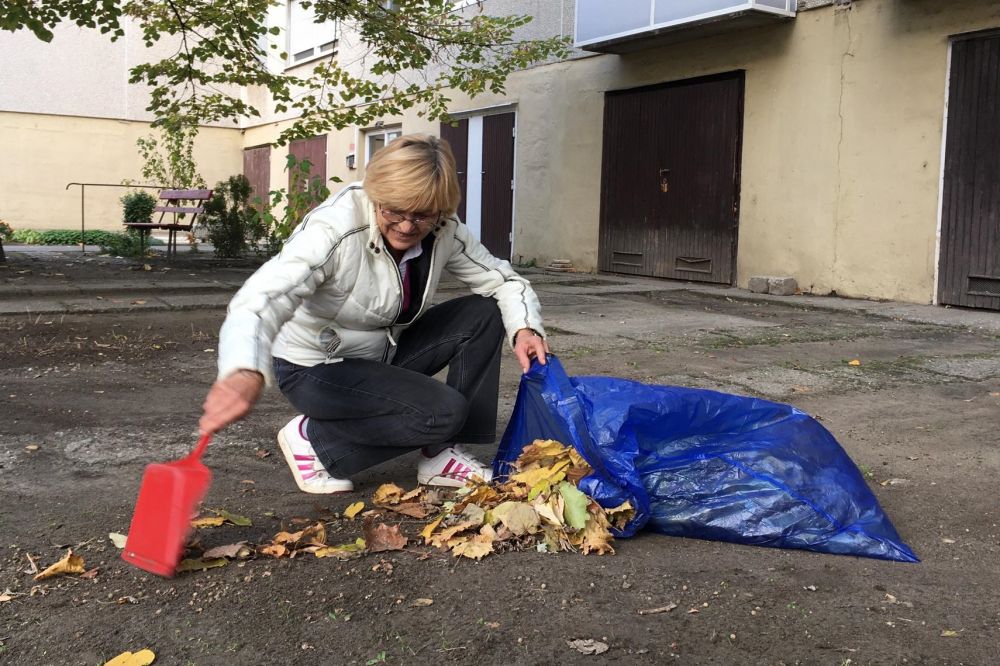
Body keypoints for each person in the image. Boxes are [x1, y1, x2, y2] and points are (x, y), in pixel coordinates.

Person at [199, 133, 549, 494]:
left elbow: (503, 280)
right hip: (317, 367)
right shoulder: (334, 229)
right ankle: (314, 442)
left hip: (382, 353)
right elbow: (263, 299)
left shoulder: (444, 227)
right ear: (376, 195)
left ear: (440, 209)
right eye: (393, 210)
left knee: (485, 313)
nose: (407, 226)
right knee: (442, 412)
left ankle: (441, 453)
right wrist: (244, 369)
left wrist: (525, 328)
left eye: (422, 215)